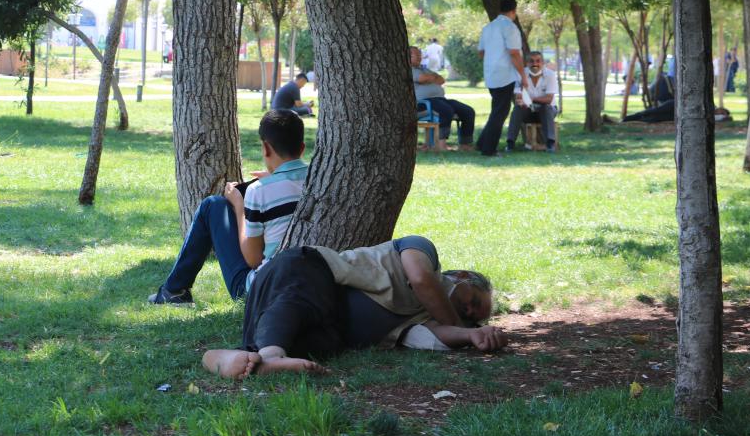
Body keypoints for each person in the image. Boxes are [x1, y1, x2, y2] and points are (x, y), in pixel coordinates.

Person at [201, 236, 509, 378]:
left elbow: (434, 337)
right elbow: (419, 278)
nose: (468, 314)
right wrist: (458, 322)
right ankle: (270, 354)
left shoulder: (428, 317)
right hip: (309, 268)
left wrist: (470, 337)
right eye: (474, 303)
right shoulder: (425, 253)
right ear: (465, 277)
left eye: (473, 319)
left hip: (330, 327)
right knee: (301, 299)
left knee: (314, 343)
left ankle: (222, 358)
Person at [149, 110, 308, 304]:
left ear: (266, 148)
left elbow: (253, 259)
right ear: (302, 148)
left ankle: (173, 291)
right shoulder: (318, 180)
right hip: (306, 283)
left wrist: (239, 206)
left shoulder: (258, 191)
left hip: (262, 292)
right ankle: (173, 290)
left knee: (212, 205)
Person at [476, 0, 529, 157]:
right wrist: (523, 75)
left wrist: (493, 57)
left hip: (490, 73)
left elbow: (481, 52)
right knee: (501, 112)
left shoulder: (488, 27)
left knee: (497, 109)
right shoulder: (510, 27)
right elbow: (514, 53)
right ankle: (489, 149)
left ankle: (481, 143)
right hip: (505, 74)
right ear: (514, 11)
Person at [410, 46, 475, 151]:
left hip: (440, 99)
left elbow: (441, 80)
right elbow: (422, 78)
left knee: (468, 111)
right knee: (446, 110)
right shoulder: (408, 69)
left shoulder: (424, 69)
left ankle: (465, 144)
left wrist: (430, 78)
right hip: (424, 103)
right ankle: (440, 144)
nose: (419, 57)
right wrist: (431, 78)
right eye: (416, 55)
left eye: (419, 55)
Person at [505, 51, 558, 153]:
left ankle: (550, 144)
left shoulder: (550, 75)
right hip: (528, 111)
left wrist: (531, 99)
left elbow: (549, 99)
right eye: (531, 61)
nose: (535, 64)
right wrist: (521, 101)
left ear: (543, 62)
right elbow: (518, 97)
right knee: (517, 109)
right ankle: (510, 143)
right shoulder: (521, 74)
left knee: (546, 107)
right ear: (527, 63)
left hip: (548, 111)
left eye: (538, 61)